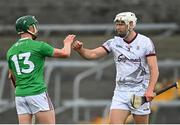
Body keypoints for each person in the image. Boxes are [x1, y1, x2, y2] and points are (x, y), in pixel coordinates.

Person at [72, 12, 159, 124]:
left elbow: (154, 69)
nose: (118, 27)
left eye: (122, 24)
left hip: (140, 92)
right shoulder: (113, 43)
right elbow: (93, 54)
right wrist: (81, 50)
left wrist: (150, 90)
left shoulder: (145, 42)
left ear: (131, 24)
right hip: (120, 93)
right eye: (117, 24)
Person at [6, 15, 75, 124]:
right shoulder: (39, 46)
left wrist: (23, 90)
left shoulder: (10, 51)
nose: (36, 28)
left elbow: (11, 76)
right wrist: (67, 43)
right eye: (34, 26)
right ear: (29, 28)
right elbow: (65, 53)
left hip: (20, 95)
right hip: (37, 93)